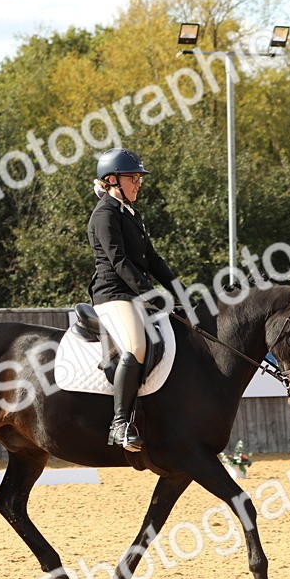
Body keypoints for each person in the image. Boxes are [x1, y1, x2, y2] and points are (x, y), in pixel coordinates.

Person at [87, 147, 182, 452]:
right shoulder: (104, 215)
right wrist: (150, 293)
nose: (138, 183)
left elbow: (152, 259)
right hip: (113, 294)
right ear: (111, 180)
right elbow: (119, 261)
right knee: (137, 346)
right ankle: (119, 425)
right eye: (132, 177)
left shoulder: (131, 214)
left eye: (139, 178)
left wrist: (179, 291)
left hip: (133, 293)